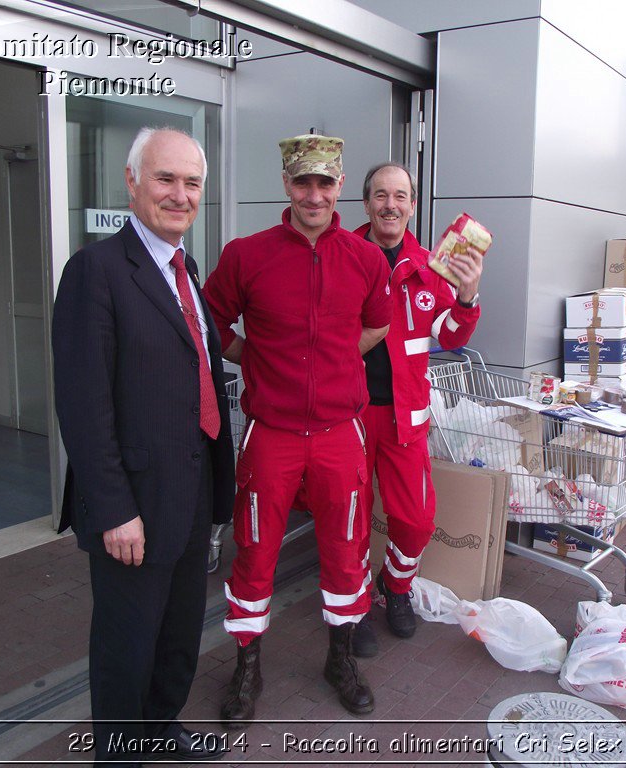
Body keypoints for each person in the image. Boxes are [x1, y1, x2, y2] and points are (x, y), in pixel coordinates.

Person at [52, 127, 235, 765]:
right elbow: (82, 405)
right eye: (165, 179)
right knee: (127, 642)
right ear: (132, 182)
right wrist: (113, 510)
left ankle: (161, 732)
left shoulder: (187, 275)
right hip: (135, 504)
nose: (180, 195)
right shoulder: (96, 271)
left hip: (191, 493)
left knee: (179, 634)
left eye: (191, 183)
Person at [203, 134, 392, 727]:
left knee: (346, 547)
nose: (315, 194)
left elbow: (378, 326)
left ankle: (341, 659)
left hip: (341, 432)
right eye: (303, 182)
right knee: (255, 549)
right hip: (273, 433)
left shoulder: (364, 259)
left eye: (326, 183)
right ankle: (247, 667)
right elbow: (210, 320)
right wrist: (249, 358)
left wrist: (337, 360)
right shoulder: (246, 254)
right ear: (286, 184)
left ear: (340, 188)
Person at [350, 162, 484, 655]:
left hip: (405, 418)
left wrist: (467, 296)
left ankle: (397, 586)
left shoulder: (433, 266)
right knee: (352, 520)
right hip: (349, 417)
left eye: (400, 195)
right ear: (366, 204)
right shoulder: (343, 257)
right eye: (381, 195)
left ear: (411, 204)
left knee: (417, 520)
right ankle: (356, 605)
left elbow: (449, 337)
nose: (390, 204)